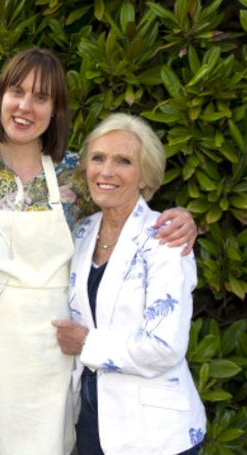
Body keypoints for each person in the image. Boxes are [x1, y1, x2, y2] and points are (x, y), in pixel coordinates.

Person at [0, 48, 198, 455]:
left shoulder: (78, 172)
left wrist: (181, 218)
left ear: (55, 111)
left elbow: (127, 217)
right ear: (0, 96)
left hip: (51, 358)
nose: (25, 106)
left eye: (41, 97)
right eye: (16, 91)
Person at [52, 113, 206, 455]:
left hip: (154, 433)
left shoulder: (166, 238)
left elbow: (164, 346)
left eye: (123, 161)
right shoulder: (80, 233)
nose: (106, 171)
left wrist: (86, 343)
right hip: (92, 420)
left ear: (144, 176)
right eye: (98, 158)